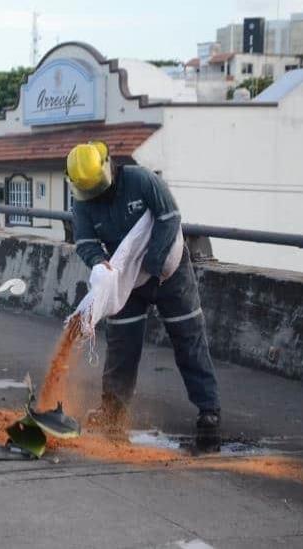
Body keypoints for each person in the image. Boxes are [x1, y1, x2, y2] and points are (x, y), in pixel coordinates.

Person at [68, 141, 221, 448]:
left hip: (169, 270)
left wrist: (152, 263)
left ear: (108, 164)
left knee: (188, 337)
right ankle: (114, 413)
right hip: (124, 279)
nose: (97, 194)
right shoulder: (83, 203)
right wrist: (100, 265)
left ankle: (209, 411)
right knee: (122, 346)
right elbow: (85, 242)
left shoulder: (141, 180)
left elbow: (169, 217)